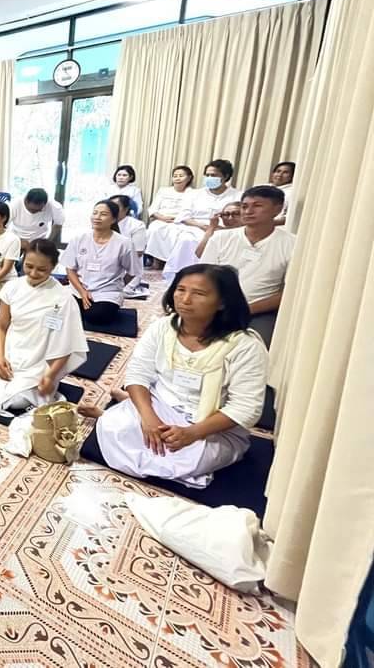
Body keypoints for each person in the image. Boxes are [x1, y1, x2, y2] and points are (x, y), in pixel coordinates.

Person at [81, 265, 267, 488]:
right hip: (162, 405)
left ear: (222, 302)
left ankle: (124, 407)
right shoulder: (162, 327)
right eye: (181, 290)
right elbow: (137, 373)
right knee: (114, 427)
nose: (185, 299)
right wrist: (149, 419)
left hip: (209, 425)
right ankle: (125, 408)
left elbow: (246, 408)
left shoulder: (245, 346)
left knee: (190, 458)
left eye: (198, 293)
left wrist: (192, 433)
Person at [0, 239, 88, 415]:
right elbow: (1, 327)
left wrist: (50, 376)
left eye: (42, 269)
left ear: (53, 267)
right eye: (29, 266)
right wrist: (0, 358)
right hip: (13, 352)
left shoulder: (63, 298)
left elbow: (67, 344)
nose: (33, 273)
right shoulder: (12, 287)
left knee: (16, 401)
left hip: (40, 359)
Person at [199, 186, 294, 346]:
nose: (248, 211)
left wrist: (245, 309)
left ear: (277, 209)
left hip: (259, 310)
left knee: (255, 346)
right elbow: (204, 278)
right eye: (244, 206)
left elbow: (289, 292)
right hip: (218, 306)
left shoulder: (291, 244)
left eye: (257, 206)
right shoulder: (221, 238)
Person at [146, 160, 240, 265]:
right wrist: (201, 226)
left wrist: (216, 228)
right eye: (207, 175)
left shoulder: (237, 195)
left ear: (226, 176)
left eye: (213, 175)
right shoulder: (195, 194)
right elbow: (184, 216)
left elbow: (239, 220)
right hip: (195, 227)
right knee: (186, 240)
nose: (209, 178)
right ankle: (181, 270)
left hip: (222, 229)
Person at [61, 200, 139, 325]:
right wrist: (82, 292)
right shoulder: (79, 239)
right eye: (95, 213)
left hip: (107, 293)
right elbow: (70, 269)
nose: (97, 217)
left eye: (103, 214)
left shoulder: (124, 243)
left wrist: (117, 287)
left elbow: (132, 271)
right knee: (58, 309)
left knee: (96, 317)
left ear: (113, 219)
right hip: (79, 289)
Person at [143, 165, 196, 267]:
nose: (177, 178)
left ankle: (171, 263)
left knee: (177, 234)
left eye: (181, 176)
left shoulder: (193, 193)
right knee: (154, 229)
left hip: (182, 222)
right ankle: (156, 261)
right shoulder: (163, 191)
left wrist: (179, 219)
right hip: (161, 219)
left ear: (189, 178)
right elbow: (153, 209)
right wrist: (162, 218)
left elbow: (192, 211)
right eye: (175, 176)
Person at [7, 188, 65, 255]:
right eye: (32, 209)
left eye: (39, 210)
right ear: (26, 201)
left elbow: (58, 225)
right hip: (17, 239)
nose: (35, 212)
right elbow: (2, 226)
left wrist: (48, 242)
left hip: (39, 241)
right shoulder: (14, 205)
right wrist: (18, 241)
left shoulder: (55, 206)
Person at [111, 194, 148, 297]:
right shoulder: (105, 222)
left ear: (126, 209)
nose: (112, 209)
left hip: (127, 267)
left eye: (116, 206)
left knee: (115, 292)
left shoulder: (137, 225)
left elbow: (138, 253)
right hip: (103, 265)